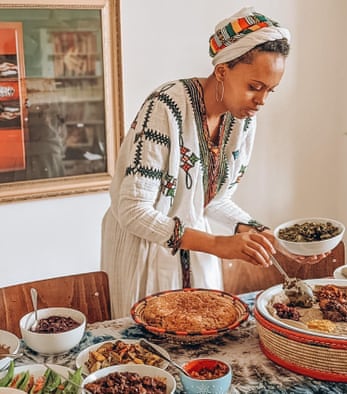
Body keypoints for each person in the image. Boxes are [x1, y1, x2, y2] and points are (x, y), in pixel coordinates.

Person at [101, 7, 317, 318]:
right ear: (222, 71)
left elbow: (212, 201)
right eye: (254, 87)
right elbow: (133, 211)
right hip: (145, 251)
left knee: (206, 339)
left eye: (270, 90)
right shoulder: (165, 107)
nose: (262, 100)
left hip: (198, 250)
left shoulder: (242, 119)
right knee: (147, 353)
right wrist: (218, 244)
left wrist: (264, 235)